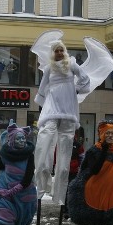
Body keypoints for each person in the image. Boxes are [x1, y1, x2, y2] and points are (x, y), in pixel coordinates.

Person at [33, 40, 91, 203]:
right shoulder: (48, 69)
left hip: (68, 111)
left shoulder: (72, 64)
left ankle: (58, 195)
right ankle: (42, 183)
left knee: (64, 160)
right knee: (44, 143)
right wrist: (44, 107)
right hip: (52, 110)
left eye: (61, 50)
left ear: (64, 51)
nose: (59, 53)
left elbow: (85, 80)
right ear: (52, 53)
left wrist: (76, 89)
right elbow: (42, 90)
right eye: (56, 50)